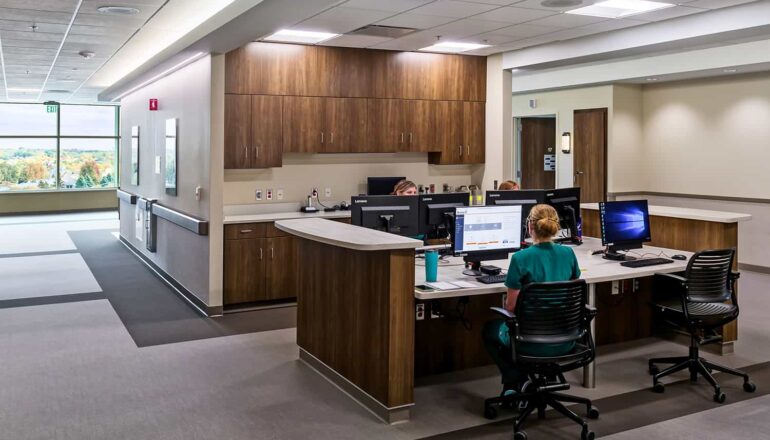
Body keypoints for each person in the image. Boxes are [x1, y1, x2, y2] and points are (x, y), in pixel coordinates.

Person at [482, 204, 581, 395]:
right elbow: (573, 292)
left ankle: (514, 381)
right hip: (565, 338)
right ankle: (547, 374)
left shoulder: (521, 258)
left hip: (529, 341)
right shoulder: (569, 253)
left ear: (530, 227)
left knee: (490, 330)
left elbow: (510, 307)